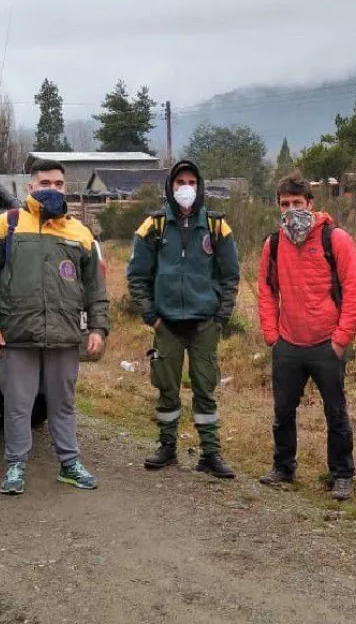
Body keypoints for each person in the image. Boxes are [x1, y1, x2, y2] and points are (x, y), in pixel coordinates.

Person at [0, 158, 110, 495]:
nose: (52, 189)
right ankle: (15, 466)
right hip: (18, 335)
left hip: (64, 334)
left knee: (63, 404)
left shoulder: (79, 232)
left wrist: (97, 327)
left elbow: (96, 287)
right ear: (30, 186)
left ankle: (69, 464)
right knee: (18, 405)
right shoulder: (8, 225)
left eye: (58, 184)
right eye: (45, 183)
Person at [126, 160, 240, 478]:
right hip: (167, 325)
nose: (186, 188)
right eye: (180, 182)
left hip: (205, 325)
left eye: (191, 182)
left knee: (205, 388)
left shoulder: (217, 226)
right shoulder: (154, 226)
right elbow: (137, 276)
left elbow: (231, 275)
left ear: (200, 186)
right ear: (170, 187)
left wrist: (220, 318)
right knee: (167, 388)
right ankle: (167, 447)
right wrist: (152, 316)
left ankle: (210, 454)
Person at [256, 173, 356, 501]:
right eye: (285, 204)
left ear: (311, 203)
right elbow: (266, 289)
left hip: (326, 343)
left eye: (297, 203)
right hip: (288, 342)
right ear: (278, 206)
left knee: (336, 413)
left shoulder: (336, 239)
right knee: (283, 411)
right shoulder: (274, 244)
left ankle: (342, 475)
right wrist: (272, 335)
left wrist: (341, 339)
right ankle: (283, 467)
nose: (291, 210)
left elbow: (354, 289)